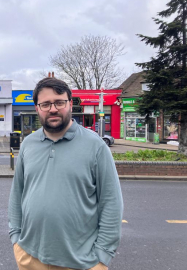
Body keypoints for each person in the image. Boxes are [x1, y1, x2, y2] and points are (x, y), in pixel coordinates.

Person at [8, 77, 123, 270]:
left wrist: (102, 257)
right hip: (30, 257)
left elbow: (111, 202)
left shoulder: (95, 146)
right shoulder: (28, 144)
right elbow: (17, 194)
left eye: (59, 102)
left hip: (81, 262)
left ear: (70, 104)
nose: (52, 109)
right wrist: (16, 239)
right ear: (37, 108)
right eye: (45, 104)